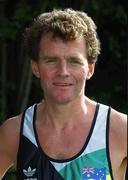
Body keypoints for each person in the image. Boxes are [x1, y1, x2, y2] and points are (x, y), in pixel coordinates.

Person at [0, 8, 127, 180]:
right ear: (36, 67)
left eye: (74, 61)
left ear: (90, 69)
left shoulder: (120, 130)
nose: (63, 72)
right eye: (51, 60)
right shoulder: (15, 133)